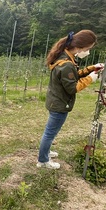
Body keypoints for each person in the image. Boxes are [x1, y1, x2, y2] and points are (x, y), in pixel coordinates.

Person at [37, 30, 104, 169]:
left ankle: (46, 152)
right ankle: (43, 161)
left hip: (56, 100)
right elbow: (72, 87)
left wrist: (91, 68)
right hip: (60, 104)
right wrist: (91, 78)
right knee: (50, 133)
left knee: (51, 131)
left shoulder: (66, 57)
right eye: (88, 49)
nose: (88, 52)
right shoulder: (66, 64)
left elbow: (73, 75)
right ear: (80, 46)